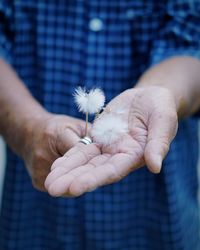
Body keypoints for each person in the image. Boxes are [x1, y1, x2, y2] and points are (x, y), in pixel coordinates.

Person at [0, 1, 200, 249]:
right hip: (35, 217)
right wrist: (27, 126)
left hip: (157, 219)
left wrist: (162, 92)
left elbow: (192, 40)